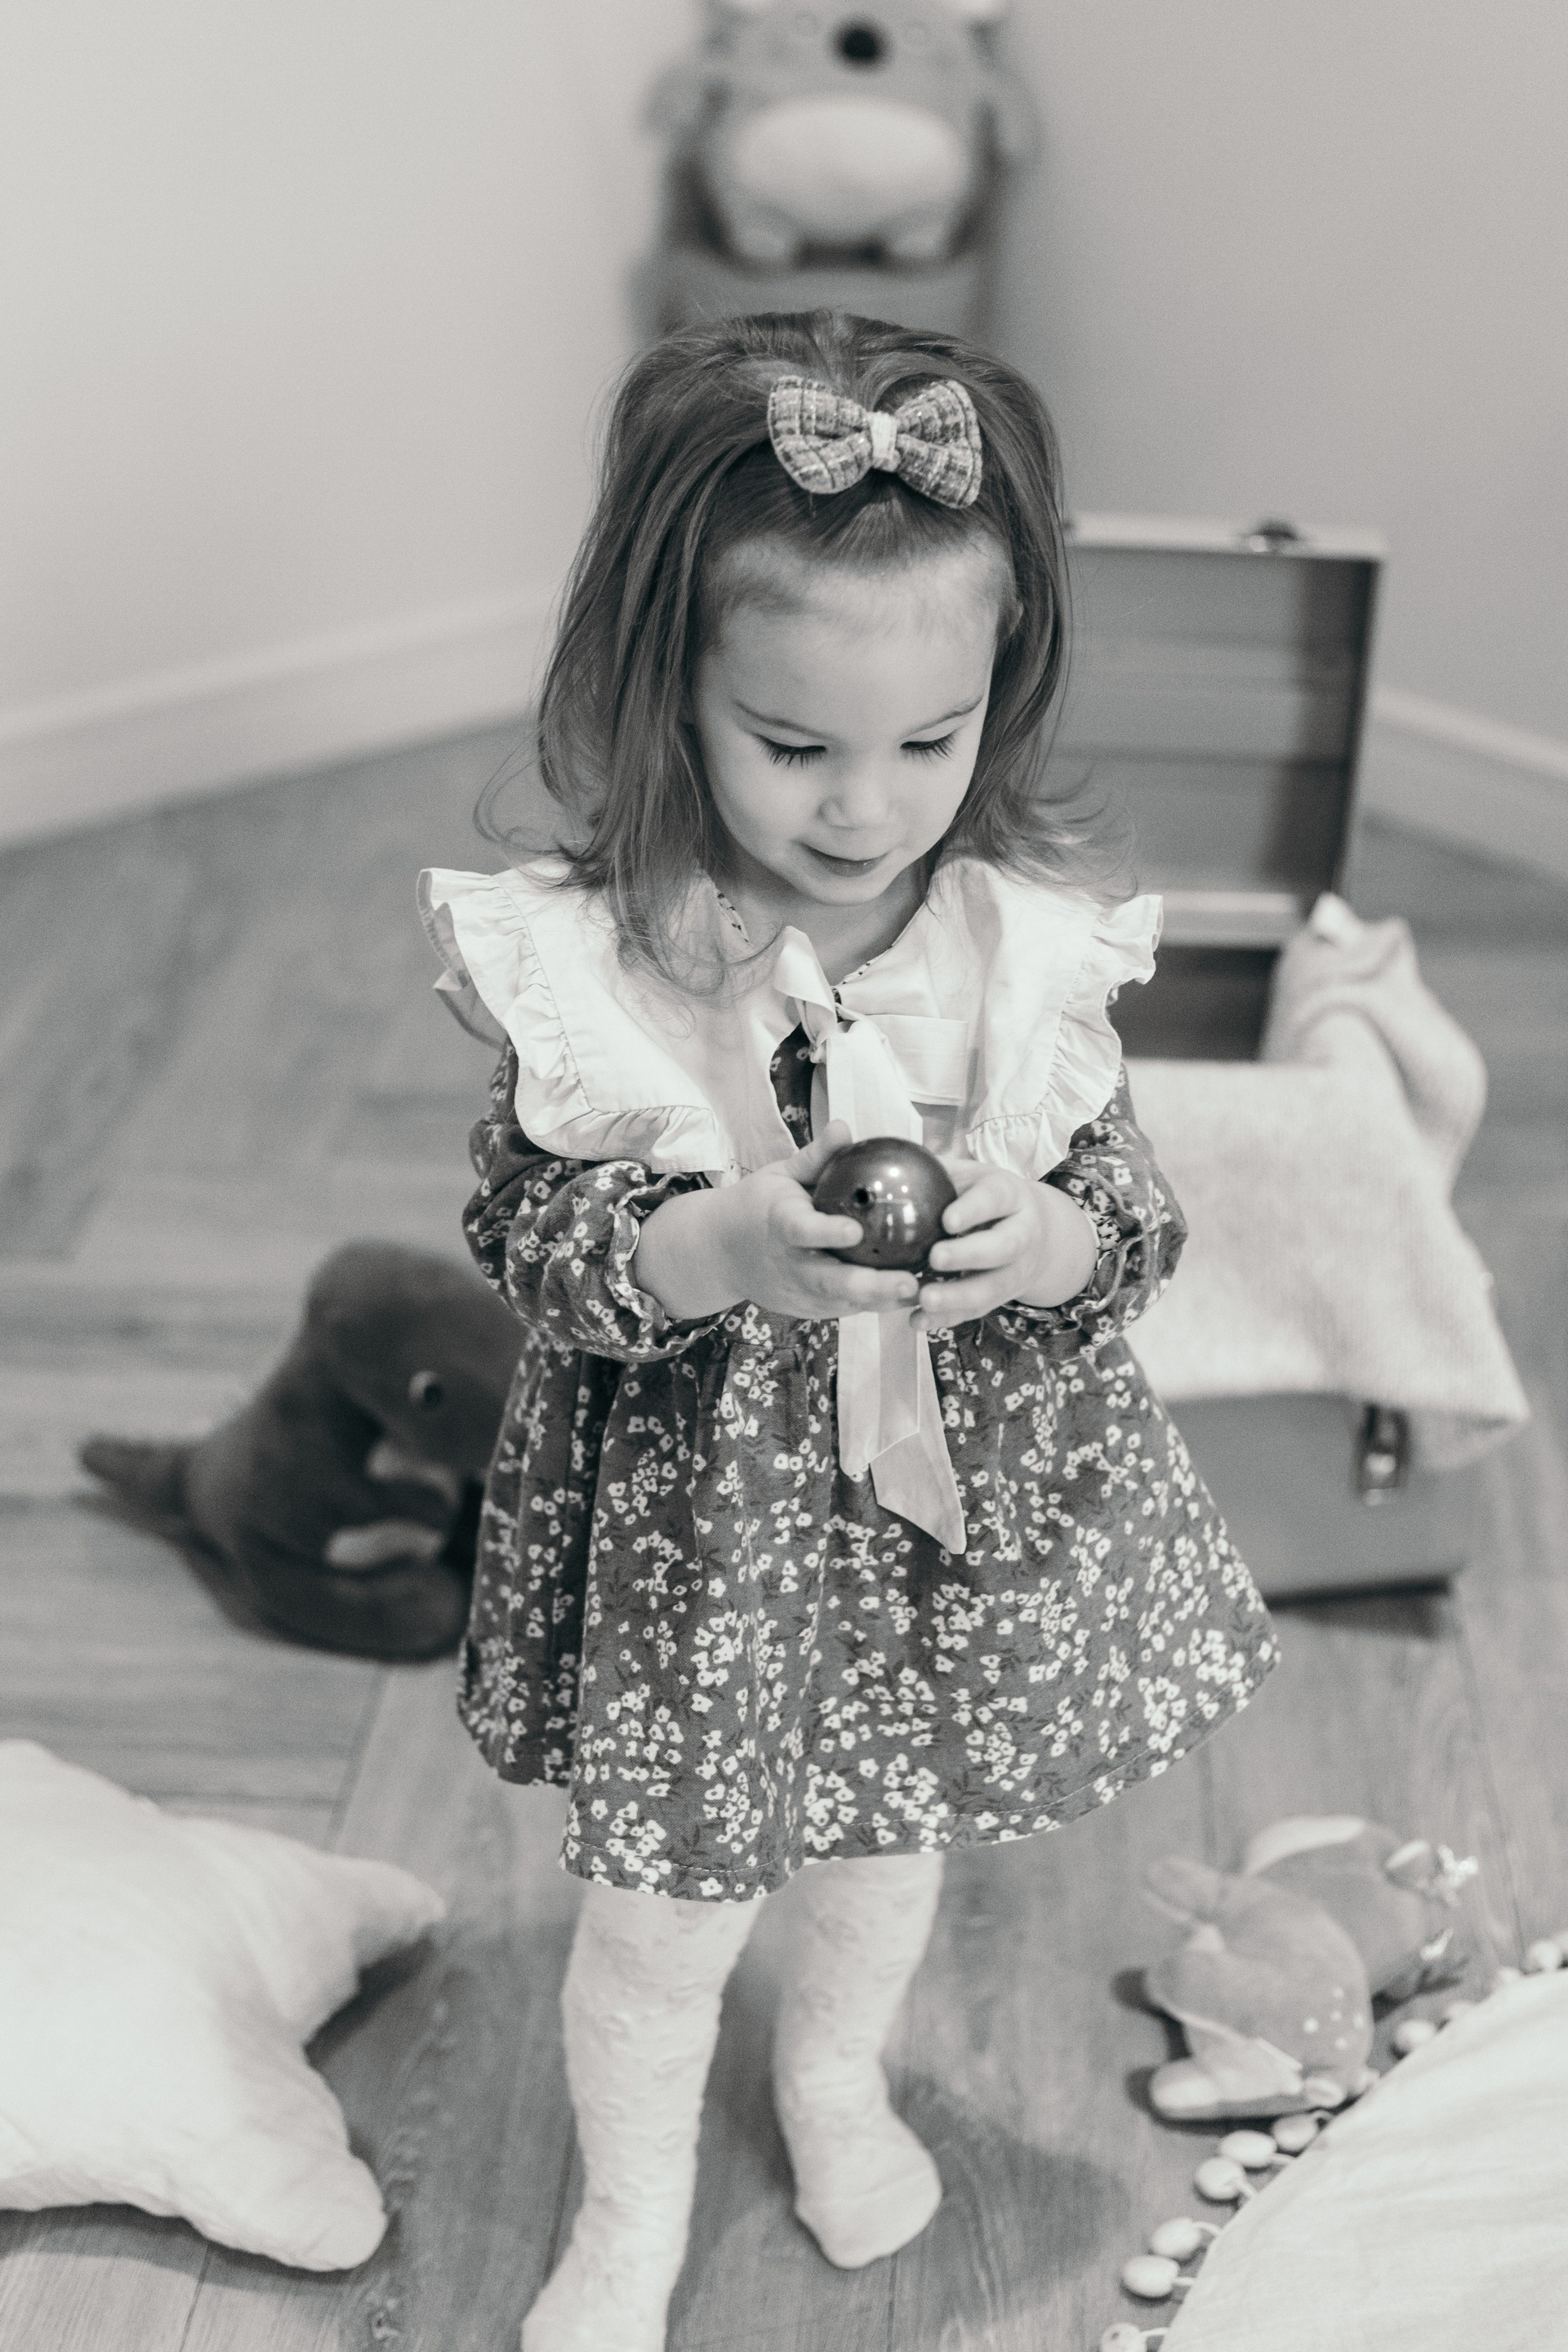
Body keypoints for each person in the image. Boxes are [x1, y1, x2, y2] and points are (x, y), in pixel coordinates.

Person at [421, 310, 1276, 2352]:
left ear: (1003, 697)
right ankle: (630, 2210)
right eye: (793, 747)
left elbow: (1137, 1221)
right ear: (668, 691)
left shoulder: (1019, 958)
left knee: (887, 1849)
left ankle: (833, 2081)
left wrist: (1044, 1244)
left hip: (931, 1527)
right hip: (703, 1539)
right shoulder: (612, 966)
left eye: (931, 741)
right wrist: (708, 1241)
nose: (866, 809)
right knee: (666, 1908)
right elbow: (526, 1232)